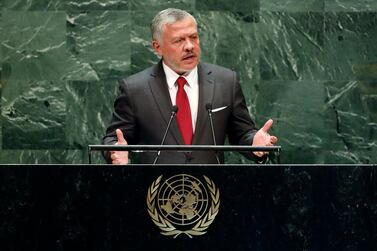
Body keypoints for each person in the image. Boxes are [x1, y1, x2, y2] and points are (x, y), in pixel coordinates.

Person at [102, 8, 277, 164]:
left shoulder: (226, 81)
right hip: (156, 192)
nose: (189, 46)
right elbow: (113, 140)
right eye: (178, 41)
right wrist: (115, 151)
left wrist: (255, 143)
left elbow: (242, 134)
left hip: (211, 191)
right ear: (158, 47)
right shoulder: (135, 89)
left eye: (193, 37)